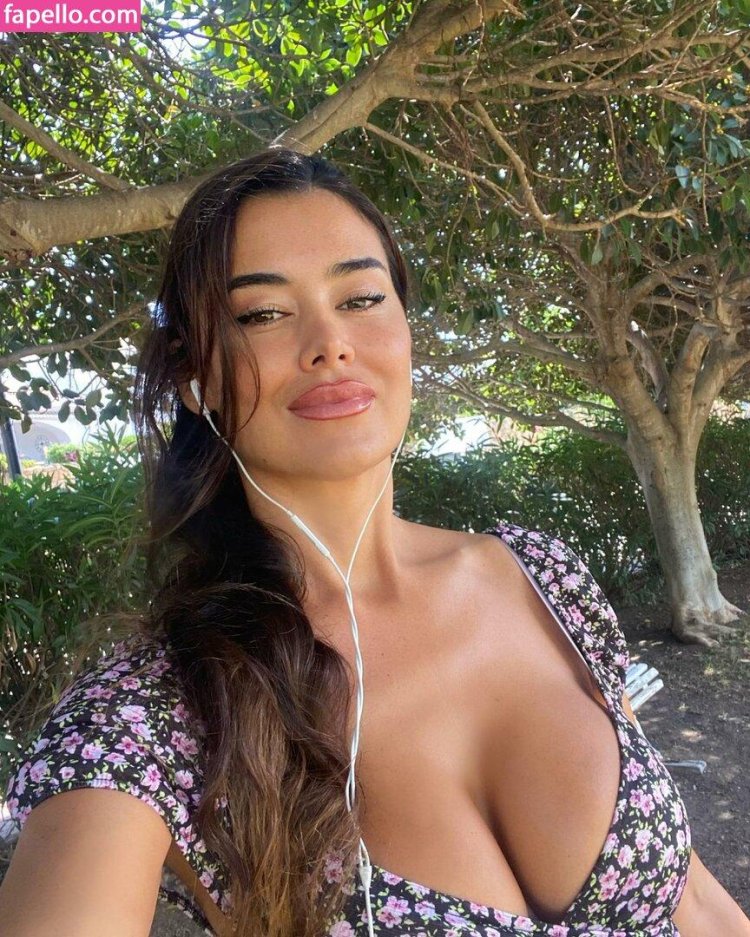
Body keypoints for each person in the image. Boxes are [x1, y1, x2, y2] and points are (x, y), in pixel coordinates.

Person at [0, 148, 747, 937]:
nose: (330, 343)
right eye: (262, 314)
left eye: (360, 298)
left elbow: (695, 900)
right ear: (199, 378)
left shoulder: (542, 578)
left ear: (405, 328)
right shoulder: (154, 712)